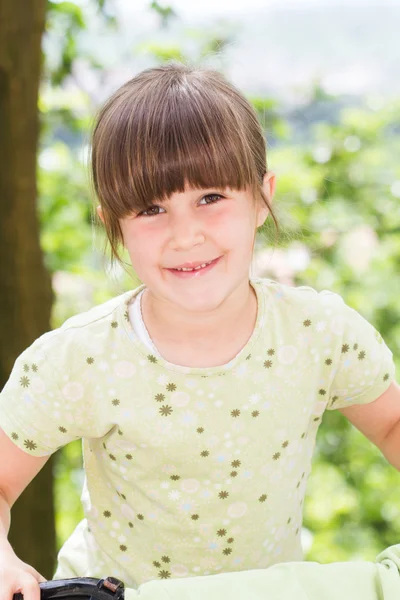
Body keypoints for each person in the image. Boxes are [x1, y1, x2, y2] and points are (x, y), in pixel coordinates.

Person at [0, 62, 399, 600]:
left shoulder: (319, 333)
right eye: (151, 208)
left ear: (262, 199)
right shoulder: (81, 357)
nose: (185, 235)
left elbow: (392, 423)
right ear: (113, 224)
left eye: (211, 198)